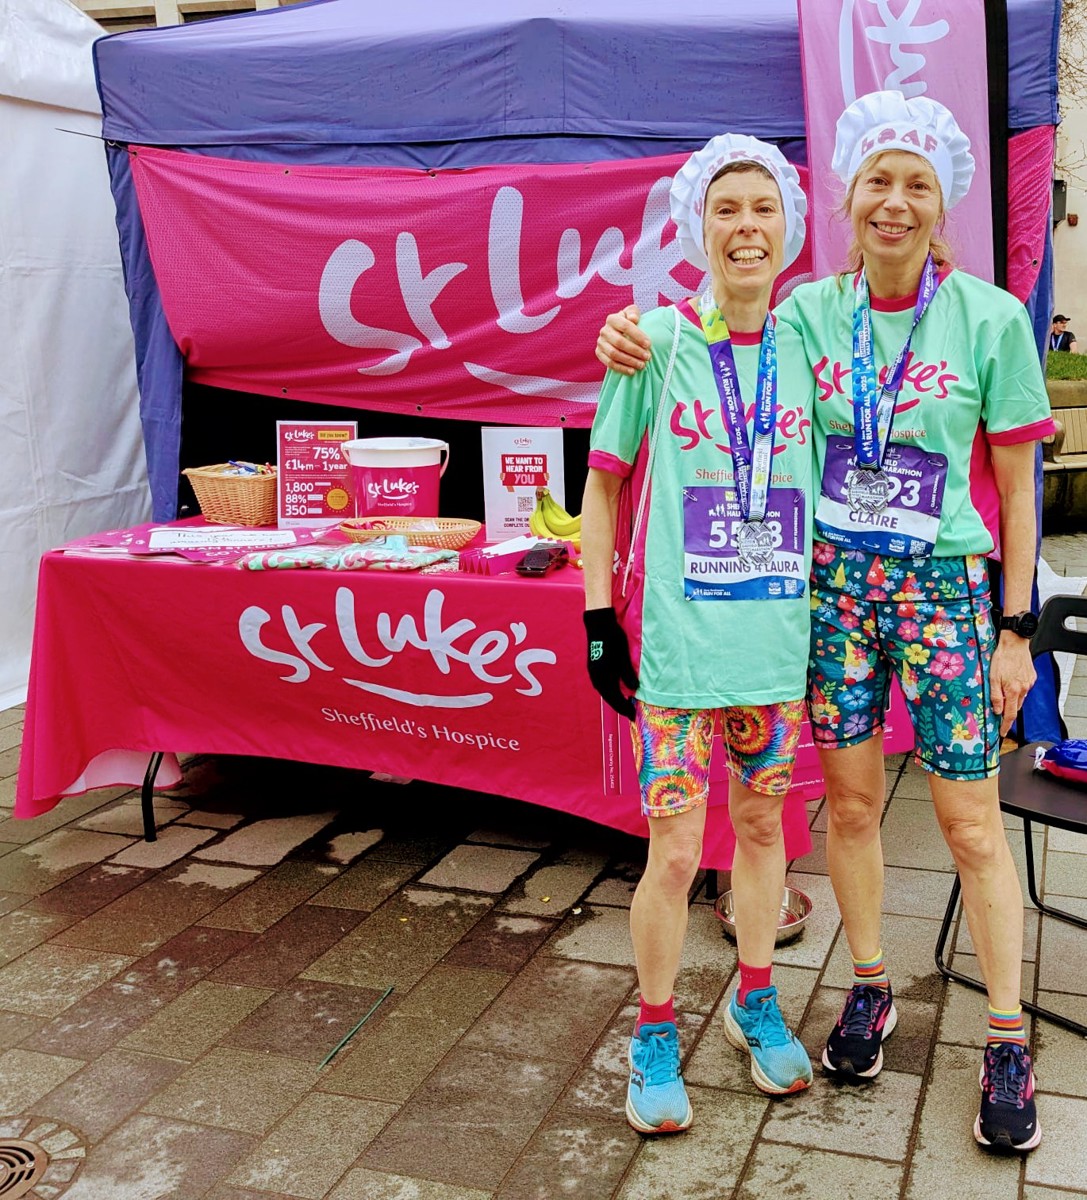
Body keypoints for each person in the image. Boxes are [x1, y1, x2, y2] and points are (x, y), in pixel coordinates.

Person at [593, 91, 1055, 1154]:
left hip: (944, 593)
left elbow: (1020, 490)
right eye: (877, 182)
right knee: (845, 815)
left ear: (945, 204)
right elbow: (712, 331)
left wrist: (1017, 625)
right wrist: (627, 330)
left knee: (971, 826)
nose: (895, 203)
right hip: (831, 595)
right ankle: (868, 986)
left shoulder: (987, 318)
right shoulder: (806, 315)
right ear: (845, 198)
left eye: (918, 186)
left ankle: (1005, 1035)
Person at [582, 134, 815, 1134]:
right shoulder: (655, 342)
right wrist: (598, 618)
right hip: (679, 657)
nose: (747, 225)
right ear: (699, 227)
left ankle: (755, 1001)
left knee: (761, 834)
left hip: (775, 652)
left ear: (790, 229)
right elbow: (601, 486)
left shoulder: (813, 343)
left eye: (763, 208)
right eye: (727, 209)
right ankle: (652, 1031)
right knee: (674, 855)